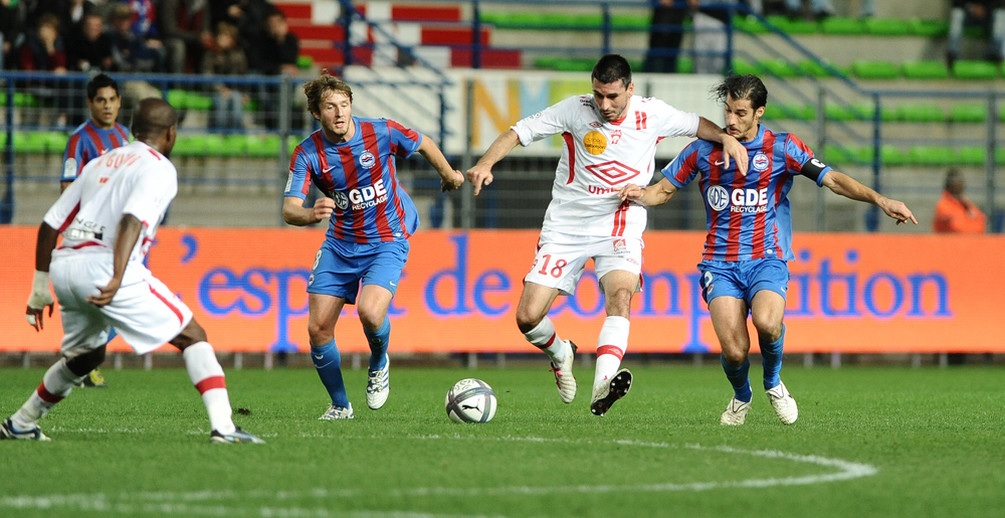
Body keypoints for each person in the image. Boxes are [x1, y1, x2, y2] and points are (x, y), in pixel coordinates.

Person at [619, 74, 917, 425]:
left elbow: (833, 179)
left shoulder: (782, 147)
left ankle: (773, 382)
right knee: (734, 349)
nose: (730, 120)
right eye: (728, 110)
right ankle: (742, 396)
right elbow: (663, 191)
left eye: (741, 113)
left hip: (767, 258)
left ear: (759, 112)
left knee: (767, 322)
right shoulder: (703, 150)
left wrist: (880, 200)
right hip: (720, 263)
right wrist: (638, 193)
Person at [466, 54, 748, 417]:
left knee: (620, 294)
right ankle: (561, 353)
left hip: (620, 219)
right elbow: (517, 133)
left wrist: (728, 140)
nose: (604, 104)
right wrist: (486, 163)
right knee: (527, 317)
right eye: (598, 95)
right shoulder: (574, 109)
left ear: (630, 89)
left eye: (613, 96)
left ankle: (603, 383)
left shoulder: (653, 113)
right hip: (566, 225)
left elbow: (697, 125)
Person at [2, 97, 264, 444]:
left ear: (133, 129)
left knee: (87, 356)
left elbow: (51, 223)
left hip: (65, 266)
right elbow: (132, 219)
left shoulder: (99, 162)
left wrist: (39, 288)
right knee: (192, 335)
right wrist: (116, 275)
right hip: (105, 266)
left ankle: (20, 423)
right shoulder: (159, 167)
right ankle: (225, 429)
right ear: (171, 133)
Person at [282, 73, 465, 420]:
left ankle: (379, 359)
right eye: (330, 107)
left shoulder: (380, 131)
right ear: (316, 113)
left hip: (386, 239)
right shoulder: (307, 153)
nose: (339, 113)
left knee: (370, 312)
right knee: (318, 328)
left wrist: (448, 175)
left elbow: (423, 142)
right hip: (340, 244)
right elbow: (289, 208)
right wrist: (309, 214)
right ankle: (340, 405)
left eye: (344, 105)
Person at [57, 73, 131, 388]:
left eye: (112, 99)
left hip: (121, 233)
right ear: (90, 103)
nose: (107, 106)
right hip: (92, 235)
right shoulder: (80, 139)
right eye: (101, 100)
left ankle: (80, 357)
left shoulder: (126, 136)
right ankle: (80, 360)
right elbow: (67, 185)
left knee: (121, 298)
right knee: (110, 298)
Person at [199, 21, 247, 131]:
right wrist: (221, 88)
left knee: (236, 99)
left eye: (225, 36)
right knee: (221, 100)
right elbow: (207, 76)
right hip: (214, 91)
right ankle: (219, 133)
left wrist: (243, 93)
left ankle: (236, 133)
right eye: (220, 35)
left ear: (232, 39)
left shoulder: (238, 55)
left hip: (234, 91)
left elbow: (242, 76)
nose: (221, 38)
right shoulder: (209, 54)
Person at [946, 1, 1004, 67]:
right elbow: (957, 3)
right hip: (968, 13)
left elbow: (998, 3)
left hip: (988, 14)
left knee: (1000, 14)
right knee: (957, 13)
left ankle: (994, 54)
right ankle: (952, 54)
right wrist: (972, 8)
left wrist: (985, 9)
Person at [643, 0, 692, 74]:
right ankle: (649, 75)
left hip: (675, 22)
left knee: (670, 59)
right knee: (653, 57)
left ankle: (667, 76)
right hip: (661, 22)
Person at [933, 168, 986, 233]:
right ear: (949, 185)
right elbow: (958, 228)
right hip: (950, 242)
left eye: (960, 181)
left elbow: (981, 223)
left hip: (970, 240)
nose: (959, 184)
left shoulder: (967, 204)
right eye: (955, 181)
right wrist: (971, 221)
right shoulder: (943, 205)